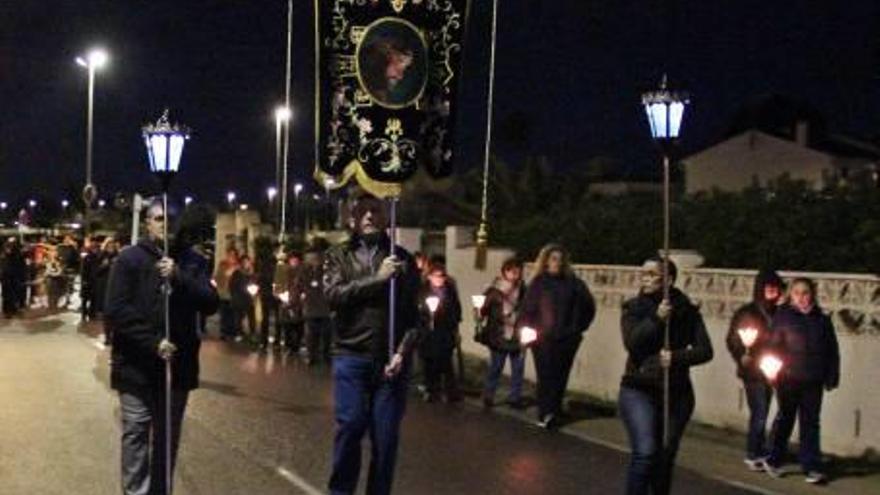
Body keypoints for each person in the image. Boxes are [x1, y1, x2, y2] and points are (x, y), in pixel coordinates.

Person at [105, 200, 218, 495]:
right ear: (147, 223)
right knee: (136, 434)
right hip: (136, 367)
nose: (164, 224)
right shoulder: (129, 259)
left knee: (167, 439)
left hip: (176, 370)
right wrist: (153, 342)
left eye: (169, 219)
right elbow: (116, 310)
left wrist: (179, 276)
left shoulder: (193, 262)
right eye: (158, 218)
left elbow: (210, 301)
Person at [324, 192, 421, 495]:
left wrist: (402, 353)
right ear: (352, 217)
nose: (369, 216)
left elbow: (412, 316)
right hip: (351, 355)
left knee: (386, 439)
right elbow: (335, 295)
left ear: (385, 215)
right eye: (362, 211)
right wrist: (379, 280)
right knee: (351, 426)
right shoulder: (338, 255)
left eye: (375, 210)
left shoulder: (402, 258)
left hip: (389, 361)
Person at [619, 257, 714, 495]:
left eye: (652, 274)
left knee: (665, 456)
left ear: (668, 280)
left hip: (677, 391)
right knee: (646, 452)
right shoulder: (633, 308)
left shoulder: (687, 310)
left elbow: (705, 350)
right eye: (643, 274)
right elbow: (633, 343)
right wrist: (657, 319)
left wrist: (677, 357)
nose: (646, 279)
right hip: (639, 388)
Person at [764, 278, 840, 484]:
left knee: (811, 423)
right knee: (786, 418)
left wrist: (832, 375)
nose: (802, 297)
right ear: (791, 295)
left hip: (813, 379)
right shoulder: (784, 318)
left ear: (812, 294)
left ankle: (811, 466)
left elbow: (832, 350)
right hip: (788, 378)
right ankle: (773, 459)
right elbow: (772, 347)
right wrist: (773, 371)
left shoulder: (822, 320)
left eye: (805, 293)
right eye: (797, 293)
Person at [519, 244, 595, 429]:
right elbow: (528, 309)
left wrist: (576, 329)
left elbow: (588, 308)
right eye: (553, 259)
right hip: (543, 339)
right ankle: (545, 413)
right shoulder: (539, 283)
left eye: (560, 259)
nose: (557, 263)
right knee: (545, 376)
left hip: (567, 338)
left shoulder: (575, 284)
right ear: (546, 261)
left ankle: (554, 409)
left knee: (560, 376)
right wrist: (528, 331)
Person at [725, 269, 784, 471]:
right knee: (760, 412)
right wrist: (742, 355)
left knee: (781, 411)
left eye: (776, 288)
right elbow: (733, 339)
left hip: (776, 369)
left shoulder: (781, 313)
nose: (772, 291)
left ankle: (770, 449)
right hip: (754, 372)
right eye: (768, 288)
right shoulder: (747, 313)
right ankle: (754, 451)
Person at [480, 257, 528, 409]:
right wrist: (479, 310)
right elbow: (483, 309)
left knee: (518, 368)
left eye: (517, 269)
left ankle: (515, 397)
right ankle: (489, 395)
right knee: (496, 366)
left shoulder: (524, 289)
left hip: (517, 334)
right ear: (504, 271)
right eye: (510, 269)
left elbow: (528, 309)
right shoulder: (494, 290)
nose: (514, 273)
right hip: (499, 334)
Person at [417, 261, 463, 403]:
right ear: (429, 277)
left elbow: (456, 310)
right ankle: (431, 390)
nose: (439, 279)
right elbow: (416, 311)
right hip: (428, 334)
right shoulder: (422, 291)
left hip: (445, 332)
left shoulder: (449, 291)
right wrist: (427, 315)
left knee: (446, 362)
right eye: (436, 276)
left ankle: (450, 392)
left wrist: (452, 322)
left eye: (442, 276)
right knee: (430, 363)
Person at [300, 247, 332, 365]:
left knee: (326, 334)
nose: (311, 260)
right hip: (310, 307)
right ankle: (312, 356)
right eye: (309, 258)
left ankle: (326, 355)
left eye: (313, 258)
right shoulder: (304, 271)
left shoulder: (326, 270)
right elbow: (299, 285)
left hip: (324, 307)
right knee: (311, 334)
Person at [229, 254, 257, 342]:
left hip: (249, 298)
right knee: (238, 317)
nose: (246, 264)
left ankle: (252, 333)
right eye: (244, 262)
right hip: (239, 298)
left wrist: (254, 289)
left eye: (248, 262)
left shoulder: (252, 273)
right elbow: (232, 285)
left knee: (251, 317)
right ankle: (239, 333)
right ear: (241, 263)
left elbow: (255, 282)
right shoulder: (237, 272)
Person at [213, 247, 239, 341]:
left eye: (233, 255)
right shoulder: (223, 264)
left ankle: (232, 332)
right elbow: (217, 277)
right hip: (224, 293)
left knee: (233, 314)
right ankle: (224, 332)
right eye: (230, 255)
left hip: (234, 294)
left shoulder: (238, 266)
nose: (231, 257)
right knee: (224, 313)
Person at [1, 238, 27, 318]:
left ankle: (15, 309)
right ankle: (8, 311)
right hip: (7, 276)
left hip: (16, 276)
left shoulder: (19, 254)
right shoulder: (4, 253)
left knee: (16, 293)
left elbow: (23, 265)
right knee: (7, 294)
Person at [80, 237, 101, 322]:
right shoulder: (87, 257)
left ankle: (91, 314)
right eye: (93, 248)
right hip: (88, 280)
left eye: (95, 248)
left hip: (94, 281)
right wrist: (84, 280)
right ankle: (84, 313)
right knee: (85, 299)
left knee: (93, 298)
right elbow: (83, 270)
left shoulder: (98, 258)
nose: (94, 249)